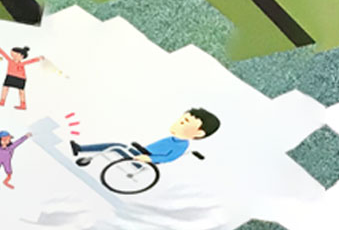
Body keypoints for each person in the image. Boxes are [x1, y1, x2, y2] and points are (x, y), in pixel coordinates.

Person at [71, 108, 220, 166]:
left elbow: (169, 158)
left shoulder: (181, 145)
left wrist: (150, 159)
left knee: (116, 146)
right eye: (182, 119)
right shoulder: (174, 139)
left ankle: (83, 151)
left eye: (185, 122)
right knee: (117, 146)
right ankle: (83, 151)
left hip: (144, 160)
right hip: (142, 152)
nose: (180, 123)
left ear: (199, 133)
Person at [1, 45, 40, 110]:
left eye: (15, 55)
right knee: (5, 88)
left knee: (21, 91)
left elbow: (30, 61)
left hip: (20, 78)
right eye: (12, 55)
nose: (13, 57)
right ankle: (2, 101)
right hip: (10, 76)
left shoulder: (22, 63)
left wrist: (38, 59)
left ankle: (23, 104)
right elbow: (4, 54)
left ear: (22, 56)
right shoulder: (10, 60)